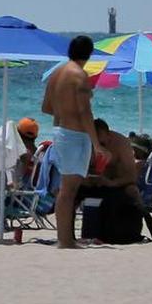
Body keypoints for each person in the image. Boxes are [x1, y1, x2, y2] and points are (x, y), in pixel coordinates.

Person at [41, 35, 106, 249]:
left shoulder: (56, 74)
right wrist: (97, 144)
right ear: (89, 54)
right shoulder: (79, 75)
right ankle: (65, 240)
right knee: (69, 189)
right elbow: (84, 111)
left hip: (60, 131)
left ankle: (66, 238)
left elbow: (46, 107)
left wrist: (64, 109)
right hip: (74, 135)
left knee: (68, 188)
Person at [82, 118, 140, 205]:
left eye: (101, 143)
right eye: (93, 143)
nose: (98, 148)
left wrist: (112, 183)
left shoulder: (121, 144)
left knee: (133, 191)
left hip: (115, 183)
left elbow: (132, 176)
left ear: (109, 136)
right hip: (90, 184)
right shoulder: (83, 144)